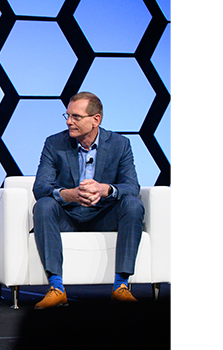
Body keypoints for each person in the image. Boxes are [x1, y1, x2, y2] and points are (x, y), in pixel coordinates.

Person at [32, 91, 144, 309]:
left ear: (96, 120)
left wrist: (104, 189)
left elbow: (132, 186)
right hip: (69, 216)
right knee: (44, 205)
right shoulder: (54, 143)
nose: (69, 122)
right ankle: (56, 288)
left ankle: (121, 286)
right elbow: (41, 187)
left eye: (76, 117)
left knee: (133, 204)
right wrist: (68, 193)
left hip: (104, 215)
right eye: (67, 116)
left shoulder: (120, 144)